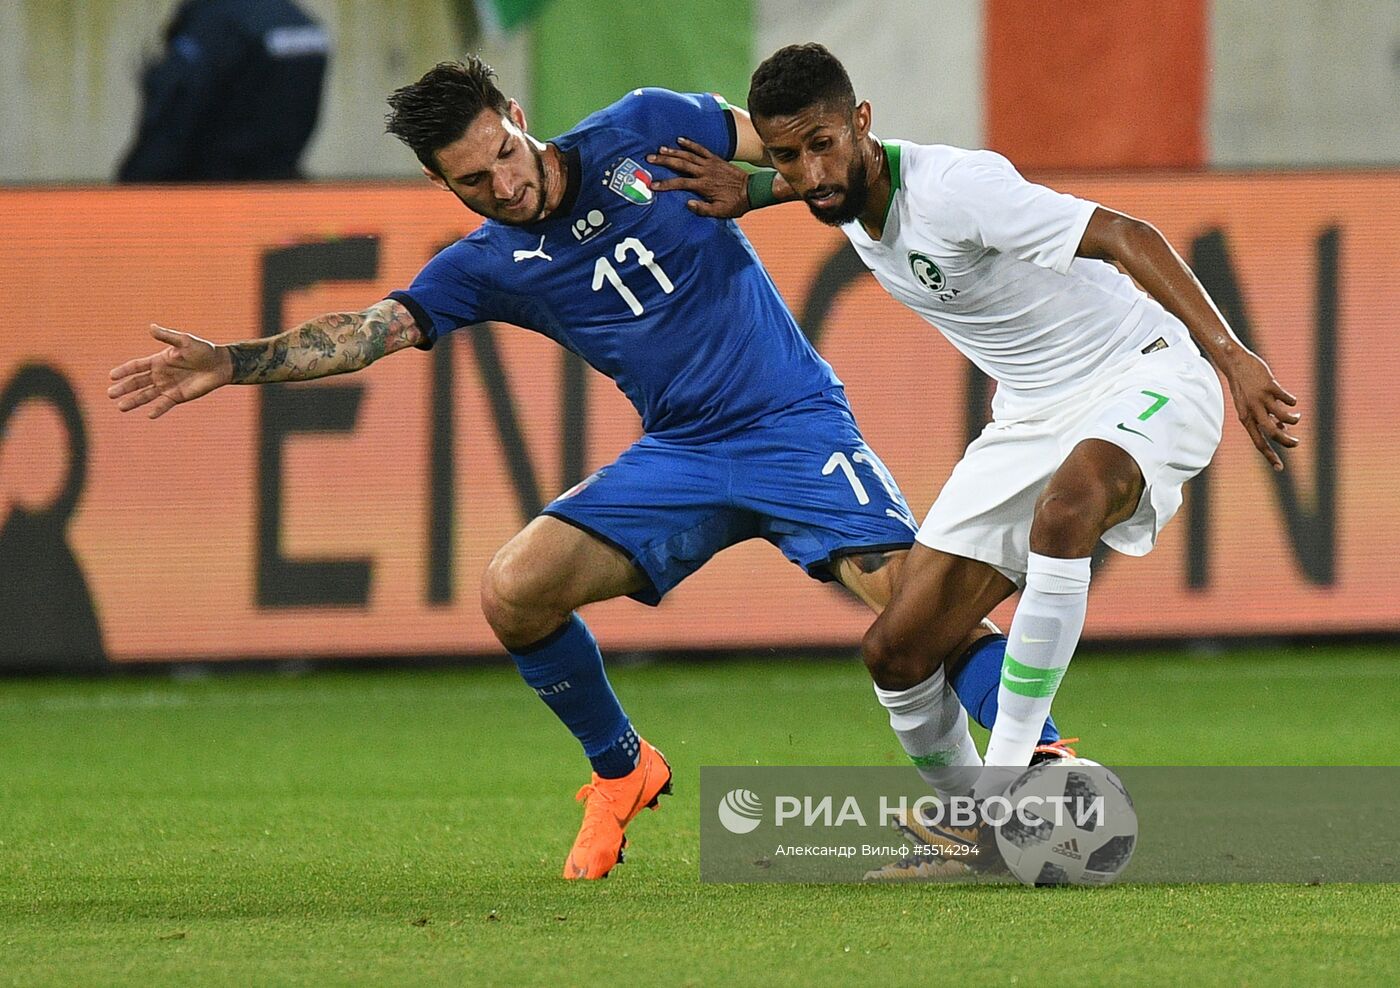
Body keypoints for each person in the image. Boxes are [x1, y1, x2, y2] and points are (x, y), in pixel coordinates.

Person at [108, 57, 1032, 880]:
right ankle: (623, 766)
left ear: (516, 114)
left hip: (790, 424)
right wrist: (232, 361)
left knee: (915, 610)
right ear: (442, 182)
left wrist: (755, 188)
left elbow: (820, 161)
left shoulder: (647, 124)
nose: (502, 184)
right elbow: (368, 332)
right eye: (471, 180)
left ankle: (1040, 767)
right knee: (514, 590)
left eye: (504, 153)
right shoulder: (483, 264)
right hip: (678, 453)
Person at [649, 43, 1300, 810]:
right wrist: (756, 188)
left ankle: (1012, 781)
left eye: (822, 145)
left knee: (1067, 511)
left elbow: (1127, 234)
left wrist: (1233, 356)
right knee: (896, 649)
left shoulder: (960, 190)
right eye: (788, 156)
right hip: (1030, 414)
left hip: (1144, 370)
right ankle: (964, 827)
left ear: (862, 123)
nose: (811, 172)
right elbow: (824, 185)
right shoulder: (837, 187)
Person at [116, 0, 328, 182]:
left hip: (208, 191)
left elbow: (175, 114)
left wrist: (135, 184)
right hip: (279, 186)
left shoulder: (216, 22)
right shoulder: (298, 21)